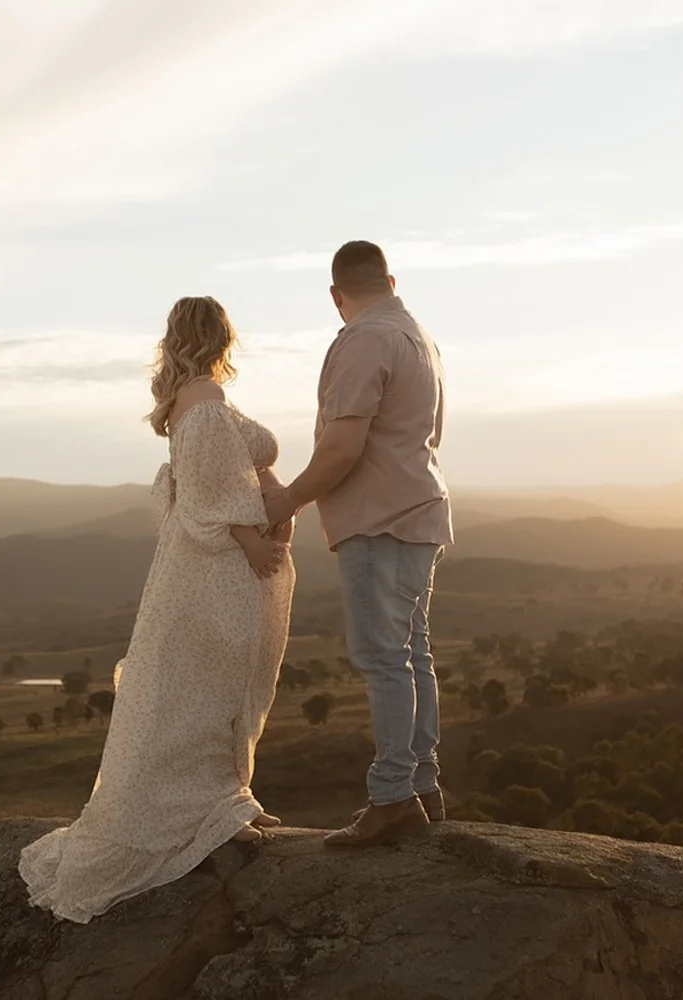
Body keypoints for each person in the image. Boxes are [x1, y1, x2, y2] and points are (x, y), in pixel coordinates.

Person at [19, 296, 296, 922]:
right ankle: (203, 812)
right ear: (223, 335)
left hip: (207, 567)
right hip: (217, 570)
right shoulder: (202, 403)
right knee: (205, 688)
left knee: (208, 689)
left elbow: (224, 477)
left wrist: (272, 513)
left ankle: (224, 802)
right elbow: (206, 492)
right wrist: (254, 537)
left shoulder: (195, 399)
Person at [264, 241, 452, 849]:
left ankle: (393, 797)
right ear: (390, 279)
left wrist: (287, 499)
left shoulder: (362, 339)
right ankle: (422, 786)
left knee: (383, 658)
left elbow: (344, 448)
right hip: (420, 510)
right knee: (412, 652)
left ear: (335, 295)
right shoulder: (420, 336)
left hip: (380, 519)